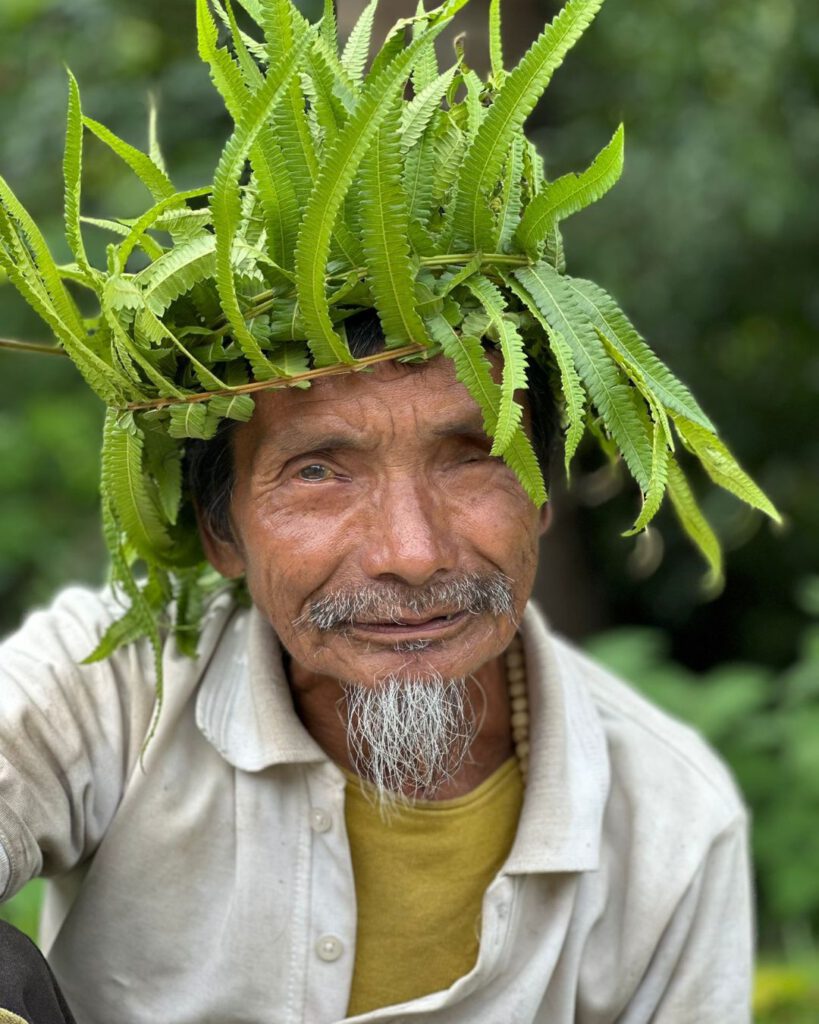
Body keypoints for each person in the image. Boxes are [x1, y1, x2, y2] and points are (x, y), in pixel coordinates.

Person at [0, 0, 763, 1020]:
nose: (411, 552)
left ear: (543, 497)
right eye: (320, 471)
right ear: (221, 530)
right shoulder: (114, 686)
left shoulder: (673, 825)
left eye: (475, 457)